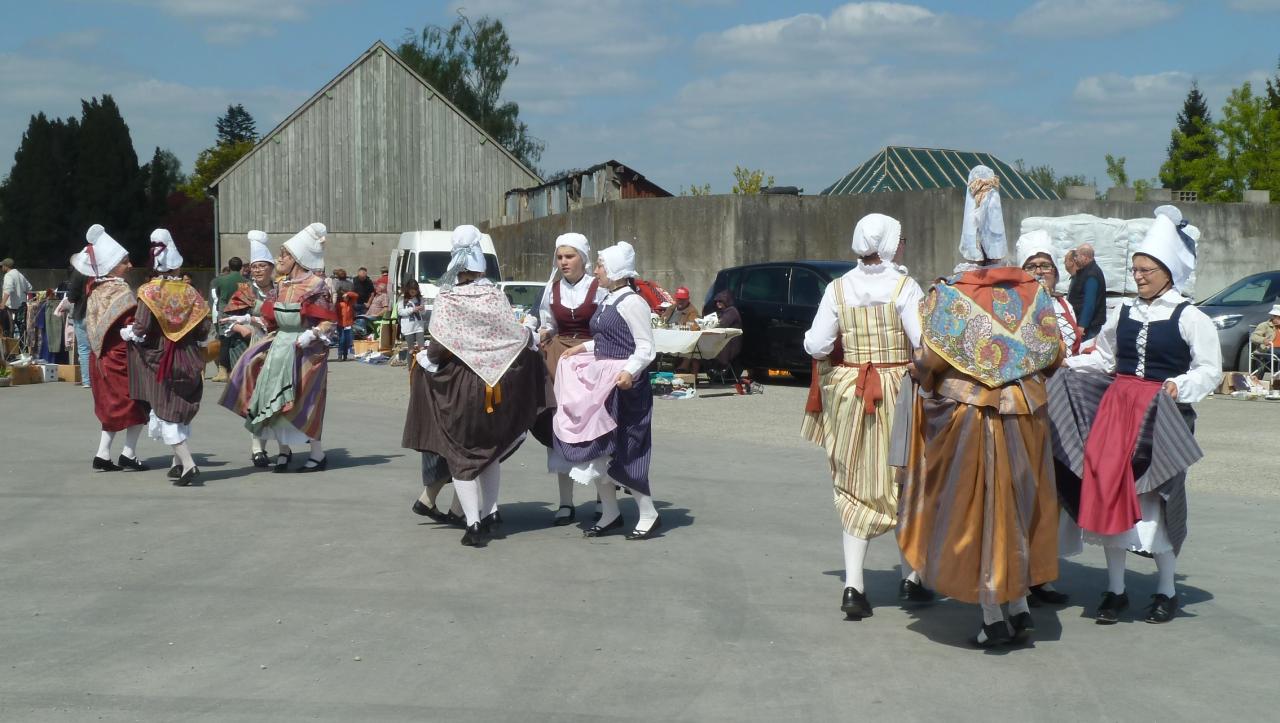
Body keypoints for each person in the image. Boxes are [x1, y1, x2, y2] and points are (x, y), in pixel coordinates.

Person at [895, 166, 1064, 647]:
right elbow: (1052, 355)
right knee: (1023, 502)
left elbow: (928, 361)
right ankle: (1021, 604)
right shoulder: (1035, 293)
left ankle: (993, 612)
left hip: (972, 417)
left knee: (980, 511)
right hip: (1026, 414)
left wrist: (927, 376)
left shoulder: (948, 295)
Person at [1053, 213, 1222, 625]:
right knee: (1110, 490)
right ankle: (1115, 590)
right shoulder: (1124, 311)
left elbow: (1210, 369)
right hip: (1118, 410)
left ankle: (1165, 590)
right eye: (1136, 269)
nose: (1139, 276)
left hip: (1161, 415)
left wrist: (1179, 386)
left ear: (1168, 272)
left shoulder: (1189, 317)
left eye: (1146, 270)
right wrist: (1069, 367)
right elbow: (1106, 358)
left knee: (1158, 497)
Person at [801, 213, 932, 620]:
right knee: (904, 479)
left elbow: (816, 345)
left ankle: (853, 586)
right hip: (896, 388)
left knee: (854, 479)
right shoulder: (904, 287)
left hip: (850, 391)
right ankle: (912, 579)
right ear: (891, 244)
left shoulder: (838, 288)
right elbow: (922, 345)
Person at [402, 225, 548, 547]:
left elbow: (438, 351)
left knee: (462, 456)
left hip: (462, 388)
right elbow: (516, 338)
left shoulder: (449, 298)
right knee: (491, 451)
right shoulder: (495, 296)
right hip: (496, 388)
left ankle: (474, 524)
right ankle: (492, 511)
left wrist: (425, 360)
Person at [554, 241, 662, 540]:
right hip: (605, 384)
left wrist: (629, 371)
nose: (596, 270)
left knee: (628, 448)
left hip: (626, 386)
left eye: (600, 265)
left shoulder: (632, 302)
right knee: (601, 451)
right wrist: (582, 347)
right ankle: (612, 513)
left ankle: (648, 512)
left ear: (615, 270)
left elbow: (645, 347)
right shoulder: (609, 300)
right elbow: (607, 340)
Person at [242, 222, 335, 472]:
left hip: (307, 350)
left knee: (306, 401)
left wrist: (311, 334)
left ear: (296, 258)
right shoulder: (282, 286)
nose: (278, 259)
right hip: (281, 346)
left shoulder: (317, 285)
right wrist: (247, 319)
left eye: (283, 255)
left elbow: (328, 321)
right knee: (276, 400)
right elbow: (270, 318)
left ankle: (317, 453)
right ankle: (283, 452)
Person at [123, 229, 212, 486]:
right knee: (181, 406)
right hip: (188, 354)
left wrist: (129, 333)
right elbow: (204, 328)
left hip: (161, 356)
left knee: (165, 409)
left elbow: (141, 326)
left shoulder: (149, 292)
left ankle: (188, 464)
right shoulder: (192, 293)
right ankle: (176, 463)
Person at [536, 232, 608, 526]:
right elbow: (547, 323)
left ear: (583, 258)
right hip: (559, 361)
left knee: (595, 428)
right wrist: (541, 332)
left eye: (570, 256)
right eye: (560, 257)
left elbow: (609, 327)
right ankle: (566, 502)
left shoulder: (599, 288)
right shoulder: (551, 290)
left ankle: (605, 498)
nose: (563, 262)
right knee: (560, 427)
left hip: (592, 360)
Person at [72, 225, 151, 471]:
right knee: (137, 403)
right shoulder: (119, 289)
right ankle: (127, 453)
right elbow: (133, 323)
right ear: (113, 265)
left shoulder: (95, 288)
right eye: (125, 261)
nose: (130, 265)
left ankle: (104, 454)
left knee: (111, 407)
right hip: (120, 357)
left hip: (101, 358)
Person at [218, 231, 279, 467]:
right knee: (255, 398)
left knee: (274, 399)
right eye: (254, 267)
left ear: (271, 268)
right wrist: (245, 328)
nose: (258, 270)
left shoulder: (280, 290)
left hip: (277, 348)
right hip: (251, 350)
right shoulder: (245, 291)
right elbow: (228, 319)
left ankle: (277, 446)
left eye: (263, 266)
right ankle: (257, 448)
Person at [209, 257, 245, 382]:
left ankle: (223, 371)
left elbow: (217, 296)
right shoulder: (245, 281)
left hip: (224, 311)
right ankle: (236, 369)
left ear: (229, 266)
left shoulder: (220, 280)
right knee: (239, 340)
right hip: (241, 310)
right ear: (241, 267)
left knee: (224, 341)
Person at [1067, 243, 1107, 342]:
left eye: (1076, 256)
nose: (1075, 259)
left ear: (1085, 257)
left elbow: (1089, 303)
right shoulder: (1085, 271)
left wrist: (1082, 325)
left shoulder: (1091, 275)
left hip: (1089, 328)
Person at [65, 268, 93, 388]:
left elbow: (71, 297)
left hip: (82, 312)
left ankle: (87, 381)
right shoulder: (103, 270)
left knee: (84, 349)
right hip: (100, 313)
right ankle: (101, 381)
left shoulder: (80, 272)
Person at [2, 257, 33, 339]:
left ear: (6, 266)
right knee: (22, 328)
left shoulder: (8, 275)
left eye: (2, 266)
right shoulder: (19, 274)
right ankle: (23, 347)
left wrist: (2, 303)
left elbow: (8, 289)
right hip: (22, 306)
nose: (1, 268)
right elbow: (29, 287)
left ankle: (11, 349)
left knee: (10, 328)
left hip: (11, 307)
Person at [1247, 304, 1280, 375]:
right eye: (1278, 317)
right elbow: (1253, 336)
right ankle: (1277, 377)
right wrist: (1263, 340)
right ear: (1274, 316)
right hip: (1268, 349)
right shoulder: (1265, 325)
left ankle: (1277, 377)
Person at [398, 280, 426, 348]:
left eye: (415, 290)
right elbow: (400, 312)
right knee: (411, 349)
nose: (413, 292)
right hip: (408, 327)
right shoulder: (402, 298)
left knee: (421, 347)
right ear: (408, 289)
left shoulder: (420, 298)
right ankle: (410, 359)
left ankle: (419, 358)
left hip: (419, 326)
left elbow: (423, 313)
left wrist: (422, 309)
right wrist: (412, 310)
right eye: (411, 291)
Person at [337, 289, 358, 361]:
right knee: (341, 340)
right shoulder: (339, 304)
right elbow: (336, 314)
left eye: (347, 297)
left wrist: (348, 293)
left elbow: (356, 295)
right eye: (344, 297)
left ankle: (345, 355)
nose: (345, 298)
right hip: (341, 324)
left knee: (347, 340)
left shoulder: (351, 303)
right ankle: (340, 354)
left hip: (348, 325)